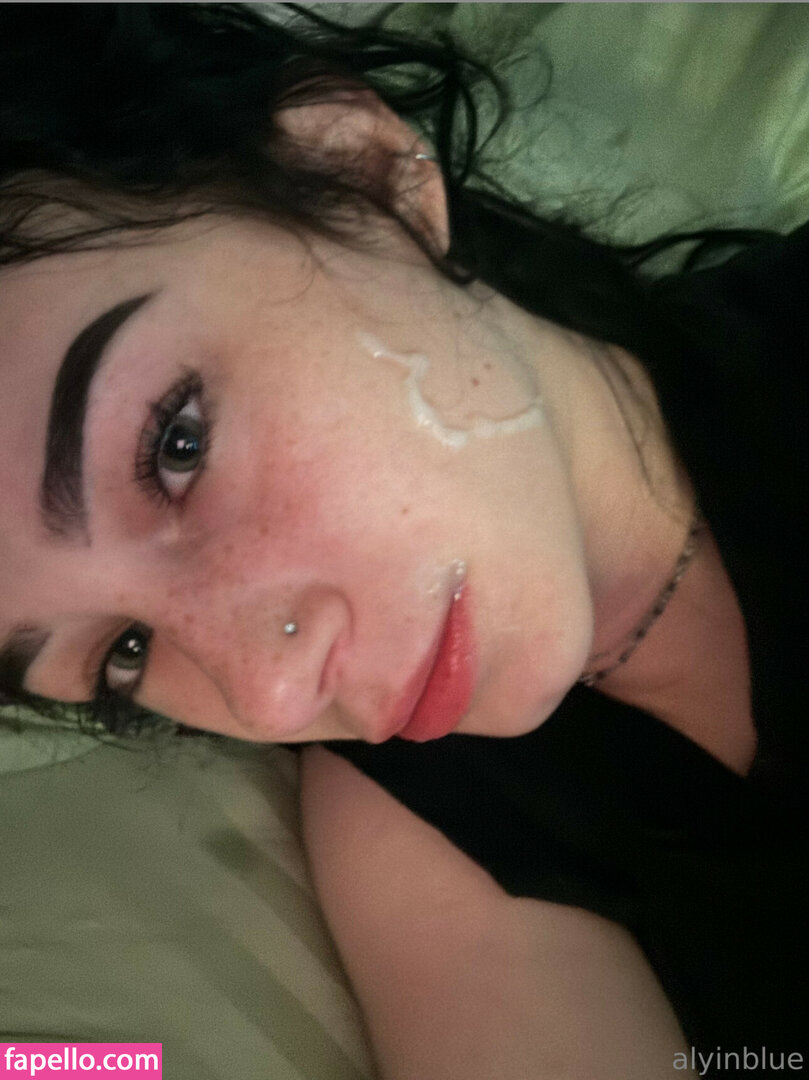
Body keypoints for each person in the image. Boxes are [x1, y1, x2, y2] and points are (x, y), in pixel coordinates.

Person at [1, 4, 806, 1077]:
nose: (269, 697)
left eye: (177, 445)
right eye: (123, 653)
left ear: (358, 170)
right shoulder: (416, 822)